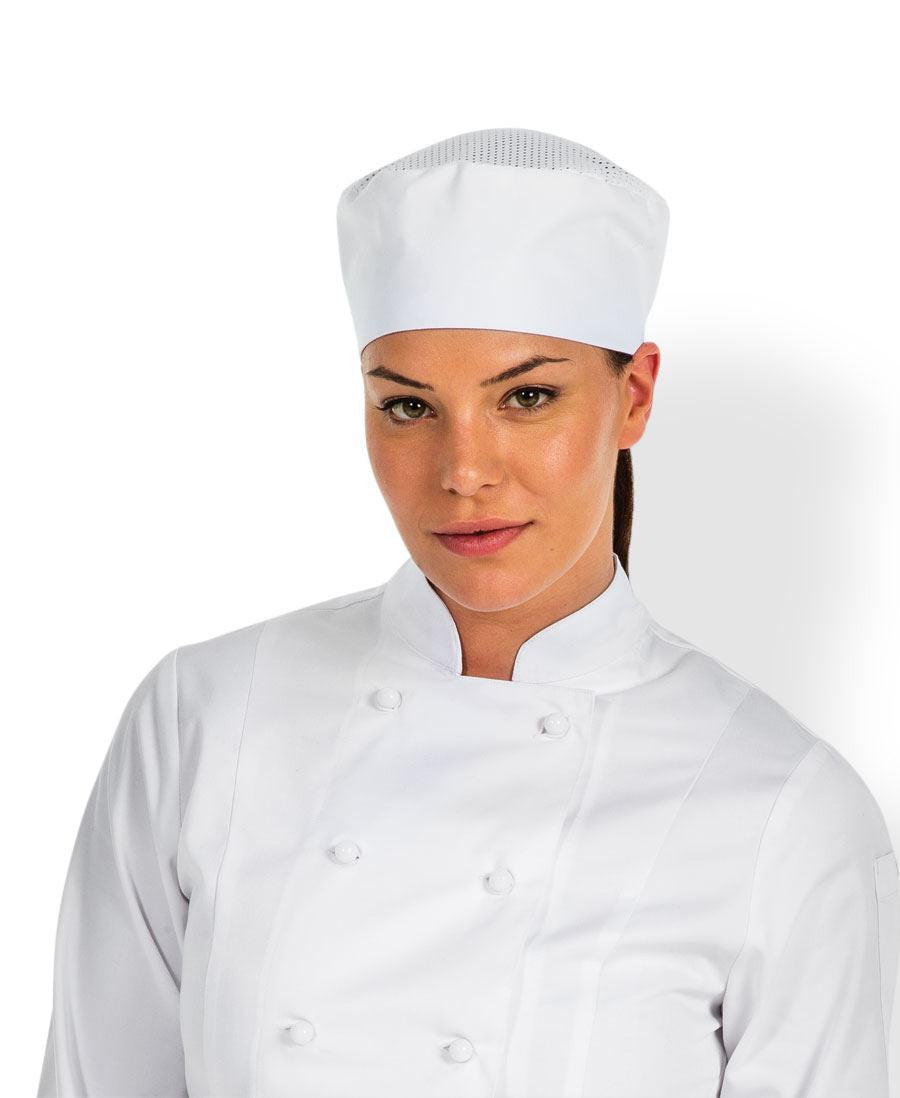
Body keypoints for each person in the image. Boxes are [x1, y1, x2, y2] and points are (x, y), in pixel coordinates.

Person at [38, 127, 899, 1097]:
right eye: (409, 406)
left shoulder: (781, 807)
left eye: (526, 396)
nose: (464, 472)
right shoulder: (205, 716)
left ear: (634, 397)